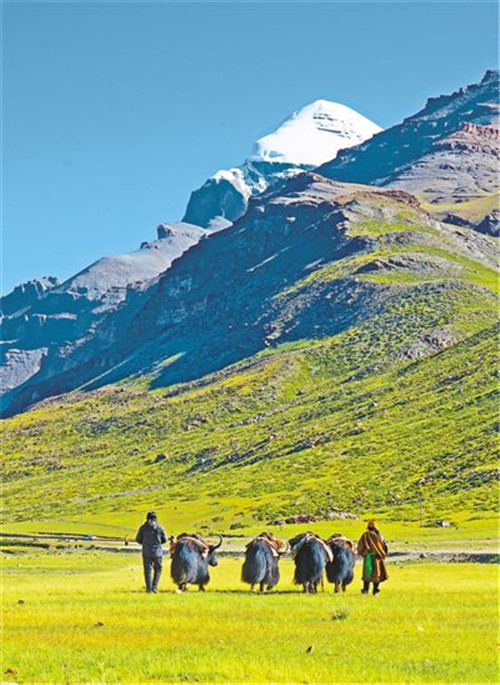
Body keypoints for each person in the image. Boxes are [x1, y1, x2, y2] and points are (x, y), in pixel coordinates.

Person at [135, 511, 167, 593]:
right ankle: (154, 587)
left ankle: (149, 589)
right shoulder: (160, 528)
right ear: (156, 519)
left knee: (147, 571)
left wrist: (145, 543)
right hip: (158, 553)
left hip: (146, 552)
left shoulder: (143, 528)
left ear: (147, 518)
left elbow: (138, 539)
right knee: (158, 570)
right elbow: (165, 540)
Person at [357, 519, 388, 596]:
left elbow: (360, 547)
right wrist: (382, 554)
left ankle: (365, 590)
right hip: (378, 558)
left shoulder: (365, 535)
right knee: (377, 574)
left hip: (368, 557)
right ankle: (375, 591)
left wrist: (364, 554)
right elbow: (385, 547)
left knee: (367, 574)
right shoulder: (380, 536)